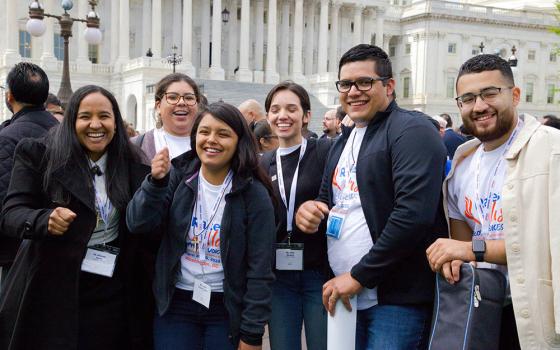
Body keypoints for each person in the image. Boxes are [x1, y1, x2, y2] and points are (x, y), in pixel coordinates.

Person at [295, 44, 447, 350]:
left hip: (394, 299)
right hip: (347, 295)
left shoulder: (411, 130)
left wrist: (360, 275)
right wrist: (309, 211)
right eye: (345, 84)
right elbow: (329, 200)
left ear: (389, 86)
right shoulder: (343, 142)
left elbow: (412, 215)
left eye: (364, 82)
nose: (353, 91)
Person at [0, 85, 154, 349]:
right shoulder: (39, 155)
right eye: (85, 116)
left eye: (104, 116)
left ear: (116, 123)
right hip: (53, 289)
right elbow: (11, 213)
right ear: (71, 122)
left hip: (112, 291)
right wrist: (43, 219)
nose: (95, 124)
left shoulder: (134, 166)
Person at [426, 54, 560, 350]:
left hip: (536, 313)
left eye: (489, 93)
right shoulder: (462, 162)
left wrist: (471, 249)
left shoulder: (551, 149)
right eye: (468, 98)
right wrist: (455, 258)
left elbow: (545, 246)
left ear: (514, 95)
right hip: (481, 311)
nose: (480, 106)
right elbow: (462, 241)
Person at [126, 102, 276, 350]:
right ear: (195, 137)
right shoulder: (178, 175)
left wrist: (252, 333)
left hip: (225, 308)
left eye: (223, 134)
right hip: (177, 304)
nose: (211, 140)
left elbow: (260, 269)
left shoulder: (254, 194)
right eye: (205, 132)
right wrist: (154, 183)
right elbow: (137, 223)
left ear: (240, 141)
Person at [261, 81, 332, 350]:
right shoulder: (262, 163)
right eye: (275, 109)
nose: (283, 116)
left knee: (321, 344)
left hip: (319, 272)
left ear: (306, 116)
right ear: (268, 116)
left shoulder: (325, 152)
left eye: (292, 109)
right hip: (280, 277)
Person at [0, 62, 58, 285]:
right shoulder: (63, 132)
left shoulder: (7, 137)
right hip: (59, 243)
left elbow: (4, 204)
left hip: (17, 251)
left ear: (10, 96)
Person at [133, 73, 201, 162]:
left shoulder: (210, 145)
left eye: (189, 98)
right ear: (158, 106)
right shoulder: (135, 147)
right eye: (172, 97)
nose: (181, 102)